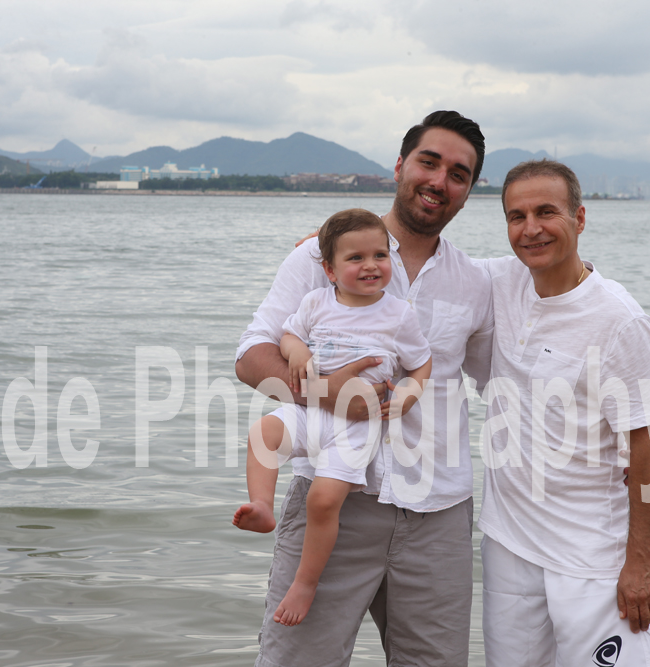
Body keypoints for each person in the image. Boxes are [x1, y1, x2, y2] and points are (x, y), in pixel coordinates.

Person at [235, 111, 492, 666]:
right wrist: (322, 393)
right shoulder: (319, 255)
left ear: (470, 189)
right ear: (399, 166)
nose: (439, 181)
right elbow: (251, 355)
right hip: (333, 500)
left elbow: (527, 356)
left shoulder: (477, 281)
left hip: (437, 513)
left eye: (458, 174)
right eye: (428, 162)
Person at [478, 160, 650, 667]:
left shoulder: (619, 320)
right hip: (508, 546)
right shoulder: (500, 281)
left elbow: (648, 450)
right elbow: (418, 261)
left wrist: (641, 562)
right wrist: (329, 241)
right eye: (516, 216)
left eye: (546, 212)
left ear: (579, 218)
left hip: (591, 559)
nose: (531, 229)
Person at [233, 209, 433, 627]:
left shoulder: (398, 314)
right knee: (263, 432)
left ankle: (305, 583)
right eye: (355, 258)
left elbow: (421, 363)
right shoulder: (315, 302)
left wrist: (409, 395)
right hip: (312, 410)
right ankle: (262, 506)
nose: (370, 265)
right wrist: (296, 351)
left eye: (380, 255)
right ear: (329, 269)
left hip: (357, 428)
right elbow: (288, 334)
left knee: (323, 501)